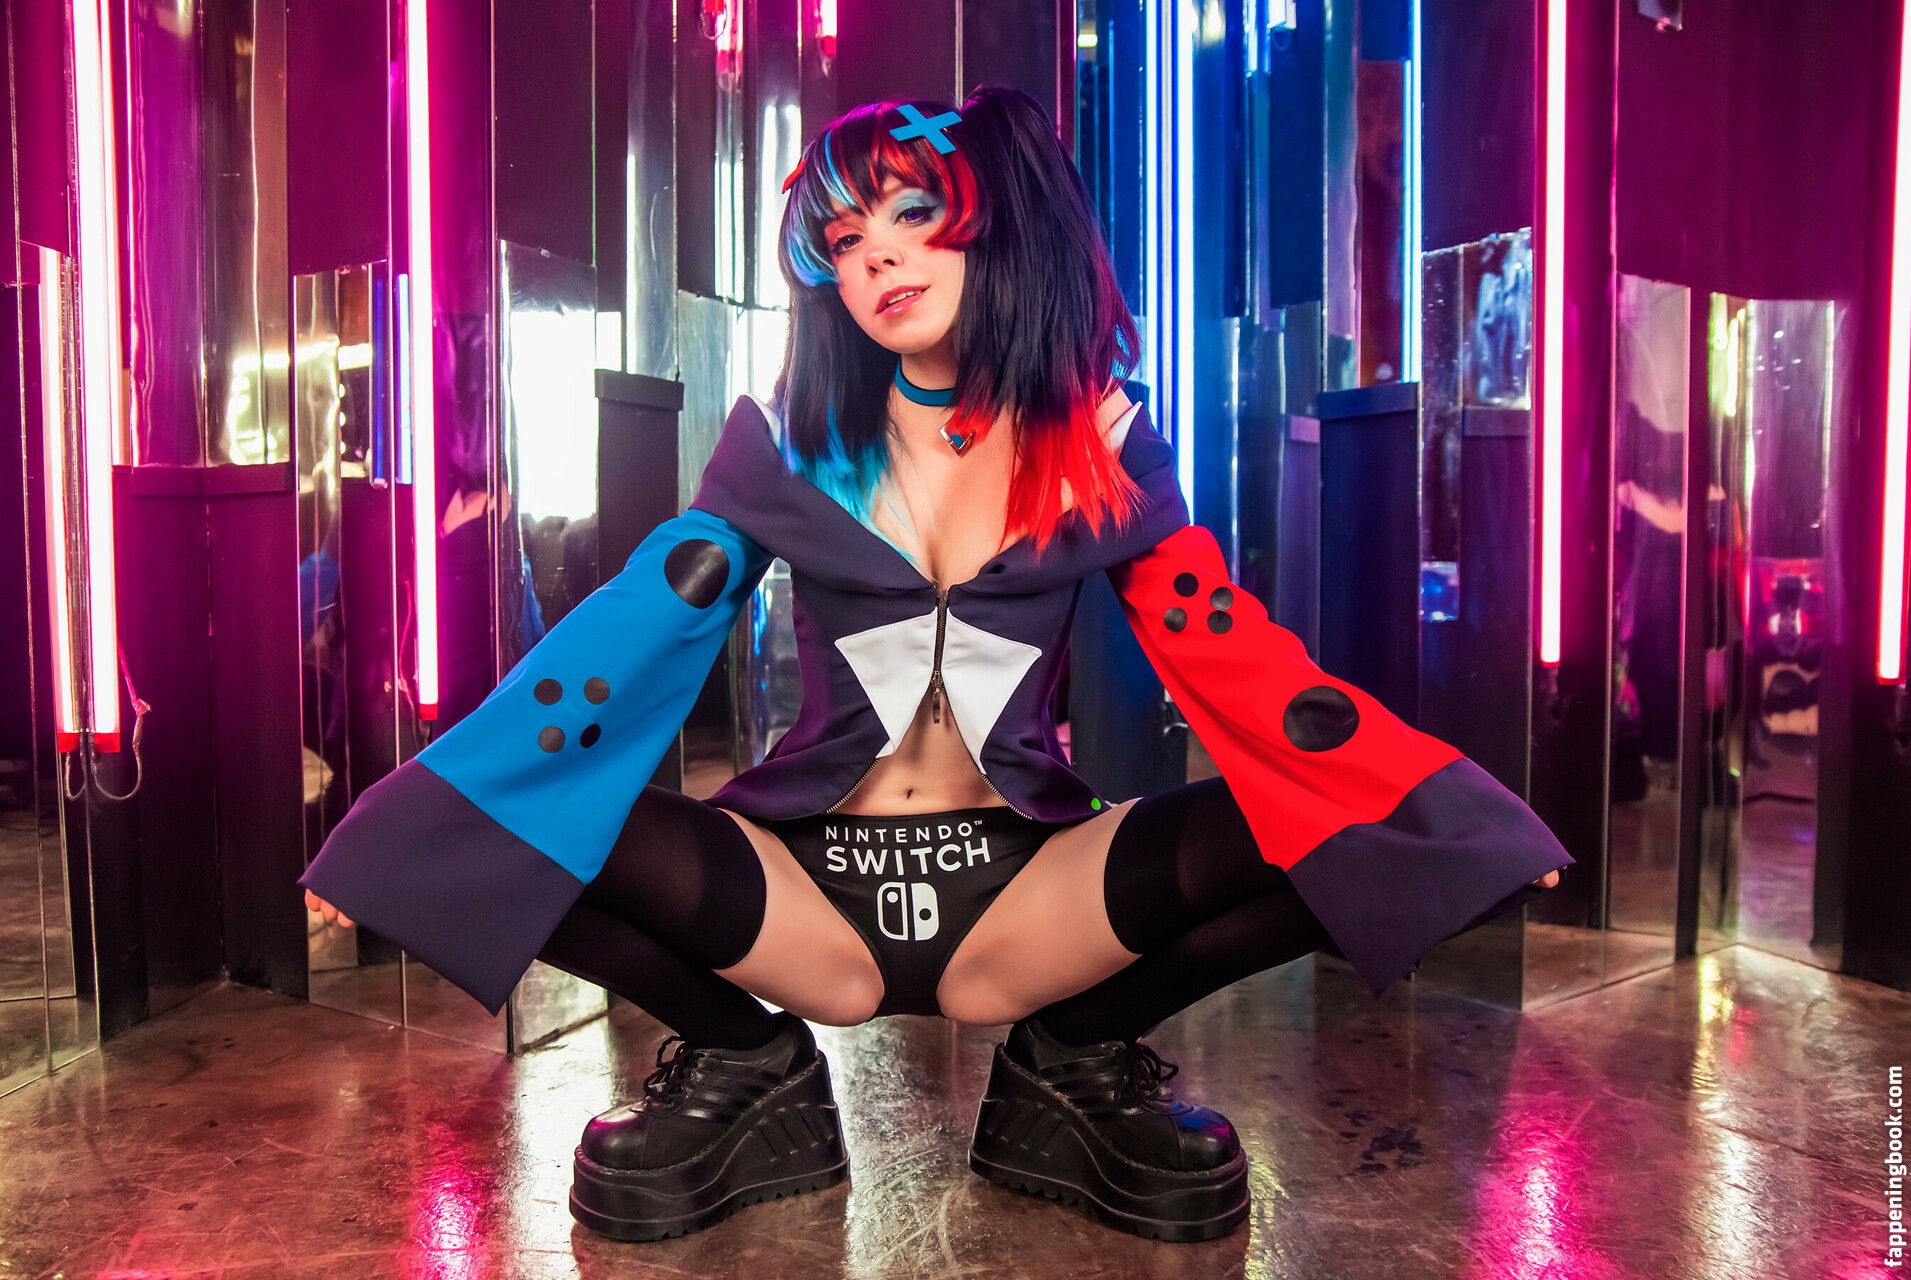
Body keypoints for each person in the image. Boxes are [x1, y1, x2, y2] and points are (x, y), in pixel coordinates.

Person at [302, 87, 1569, 1246]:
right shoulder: (787, 441)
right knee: (546, 819)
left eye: (912, 215)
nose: (878, 259)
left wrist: (1431, 810)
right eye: (845, 240)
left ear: (993, 224)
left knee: (1302, 823)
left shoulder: (1100, 436)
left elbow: (1224, 645)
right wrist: (432, 820)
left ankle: (1074, 1055)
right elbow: (642, 619)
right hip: (806, 890)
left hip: (1028, 893)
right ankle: (745, 1060)